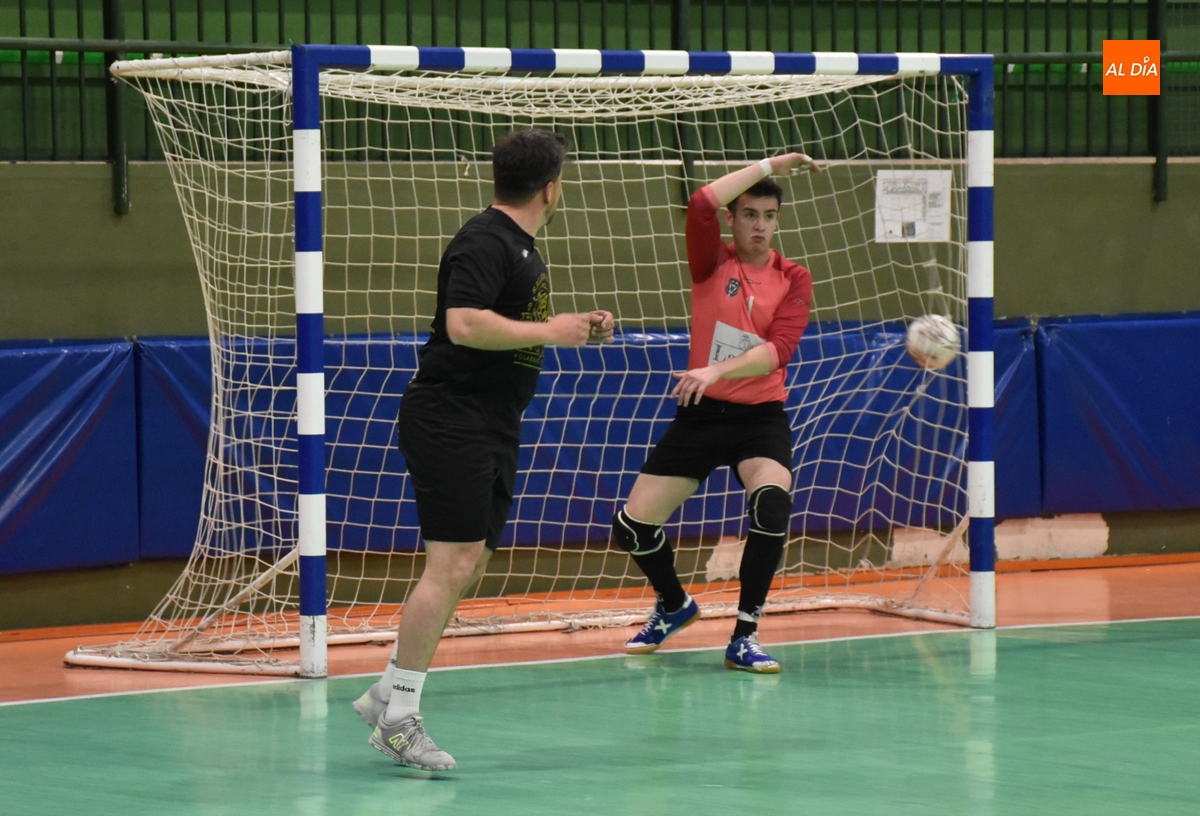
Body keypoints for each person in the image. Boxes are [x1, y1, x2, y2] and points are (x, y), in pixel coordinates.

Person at [352, 129, 615, 771]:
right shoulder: (486, 239)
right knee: (451, 564)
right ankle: (400, 720)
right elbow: (462, 323)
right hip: (451, 418)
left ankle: (388, 690)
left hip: (492, 422)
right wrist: (551, 329)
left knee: (470, 562)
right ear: (551, 186)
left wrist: (574, 329)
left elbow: (506, 325)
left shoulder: (520, 247)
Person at [612, 152, 821, 674]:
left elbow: (779, 350)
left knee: (772, 504)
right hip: (702, 415)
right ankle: (675, 604)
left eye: (769, 216)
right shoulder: (712, 262)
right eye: (750, 213)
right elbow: (702, 200)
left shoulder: (794, 277)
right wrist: (770, 163)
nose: (760, 225)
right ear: (734, 218)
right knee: (632, 525)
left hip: (760, 417)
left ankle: (745, 635)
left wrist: (714, 371)